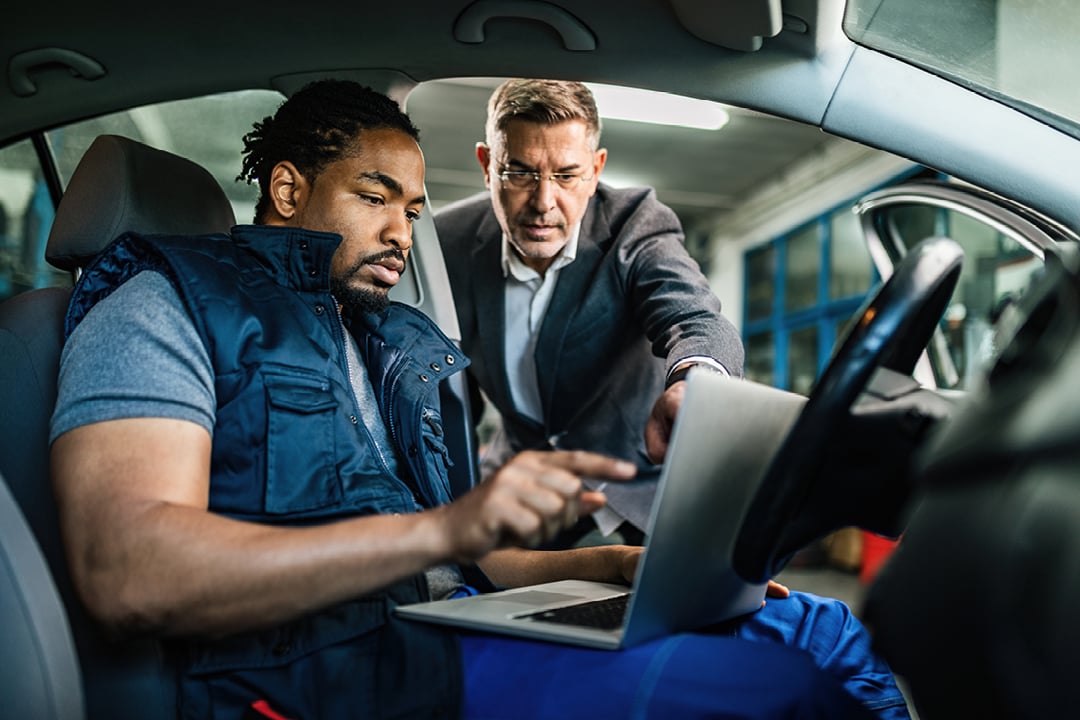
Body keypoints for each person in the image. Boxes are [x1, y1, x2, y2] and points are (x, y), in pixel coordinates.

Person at [49, 79, 906, 719]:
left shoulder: (380, 336)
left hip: (450, 616)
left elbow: (459, 564)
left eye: (413, 209)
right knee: (790, 693)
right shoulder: (161, 303)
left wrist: (611, 568)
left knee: (829, 633)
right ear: (285, 193)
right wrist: (451, 528)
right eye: (374, 198)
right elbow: (129, 575)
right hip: (351, 669)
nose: (401, 233)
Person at [436, 78, 742, 546]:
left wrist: (695, 382)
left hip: (638, 492)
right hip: (520, 490)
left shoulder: (634, 225)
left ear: (596, 170)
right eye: (519, 172)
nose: (543, 202)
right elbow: (445, 384)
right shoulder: (447, 242)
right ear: (486, 164)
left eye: (566, 175)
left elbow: (694, 317)